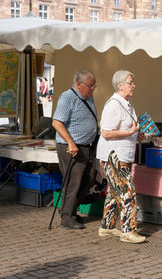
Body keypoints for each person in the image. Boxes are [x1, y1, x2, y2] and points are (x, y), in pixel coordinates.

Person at [96, 70, 146, 244]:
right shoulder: (113, 105)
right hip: (113, 156)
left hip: (123, 155)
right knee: (127, 192)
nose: (134, 85)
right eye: (130, 82)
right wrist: (128, 132)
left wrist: (135, 135)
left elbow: (127, 129)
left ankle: (107, 227)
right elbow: (106, 132)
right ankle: (128, 231)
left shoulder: (127, 103)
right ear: (120, 85)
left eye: (133, 82)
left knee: (116, 192)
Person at [52, 69, 98, 230]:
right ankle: (67, 217)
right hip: (71, 147)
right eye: (90, 85)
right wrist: (71, 143)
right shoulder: (68, 97)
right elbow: (57, 123)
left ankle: (68, 209)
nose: (93, 89)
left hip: (86, 146)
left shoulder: (88, 97)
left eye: (94, 86)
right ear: (79, 84)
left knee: (88, 179)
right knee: (73, 182)